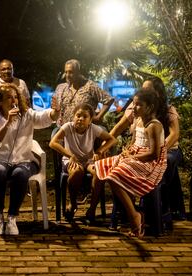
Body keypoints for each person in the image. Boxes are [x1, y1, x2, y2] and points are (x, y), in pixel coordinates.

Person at [0, 83, 58, 235]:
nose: (13, 100)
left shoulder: (27, 114)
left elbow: (44, 118)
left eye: (15, 97)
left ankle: (12, 218)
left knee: (20, 174)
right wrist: (7, 123)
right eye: (9, 97)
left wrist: (55, 112)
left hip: (24, 160)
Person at [110, 76, 185, 220]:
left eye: (148, 89)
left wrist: (160, 149)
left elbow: (175, 134)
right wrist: (105, 144)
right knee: (119, 164)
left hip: (170, 149)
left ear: (158, 92)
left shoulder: (167, 110)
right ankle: (126, 209)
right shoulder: (136, 107)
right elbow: (118, 128)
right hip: (142, 149)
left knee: (165, 161)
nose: (144, 91)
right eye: (143, 88)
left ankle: (160, 209)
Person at [95, 88, 167, 238]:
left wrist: (132, 159)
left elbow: (154, 154)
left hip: (150, 163)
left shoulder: (154, 125)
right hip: (136, 156)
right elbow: (134, 142)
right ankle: (131, 211)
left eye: (139, 105)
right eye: (133, 104)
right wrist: (127, 152)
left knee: (114, 175)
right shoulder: (138, 120)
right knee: (101, 167)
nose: (134, 107)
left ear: (150, 107)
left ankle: (134, 216)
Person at [50, 59, 114, 201]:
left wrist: (98, 116)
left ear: (78, 72)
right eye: (66, 72)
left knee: (98, 142)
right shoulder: (61, 87)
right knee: (54, 137)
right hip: (65, 126)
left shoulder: (90, 86)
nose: (68, 75)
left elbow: (108, 100)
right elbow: (55, 105)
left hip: (86, 126)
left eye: (71, 72)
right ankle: (64, 172)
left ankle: (89, 186)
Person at [49, 103, 116, 223]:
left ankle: (92, 208)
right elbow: (53, 143)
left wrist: (99, 151)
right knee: (76, 172)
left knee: (100, 173)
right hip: (71, 160)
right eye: (78, 115)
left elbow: (111, 139)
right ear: (73, 117)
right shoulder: (67, 127)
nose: (80, 119)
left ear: (90, 120)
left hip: (88, 161)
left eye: (84, 117)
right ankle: (73, 203)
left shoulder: (93, 128)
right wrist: (70, 155)